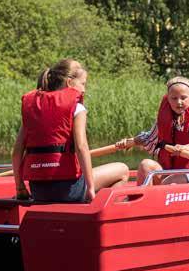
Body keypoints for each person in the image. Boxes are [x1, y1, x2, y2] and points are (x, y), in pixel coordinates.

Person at [12, 59, 129, 202]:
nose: (84, 90)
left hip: (39, 191)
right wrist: (91, 188)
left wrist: (20, 187)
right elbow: (81, 147)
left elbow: (17, 151)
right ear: (69, 83)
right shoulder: (77, 108)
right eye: (83, 84)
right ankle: (102, 215)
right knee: (122, 170)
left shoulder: (33, 110)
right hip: (69, 191)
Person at [116, 76, 189, 185]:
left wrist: (185, 148)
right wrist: (130, 142)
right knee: (145, 164)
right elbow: (148, 137)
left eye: (183, 98)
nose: (179, 102)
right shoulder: (164, 120)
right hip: (169, 171)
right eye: (174, 98)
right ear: (168, 99)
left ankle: (158, 193)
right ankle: (140, 199)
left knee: (170, 182)